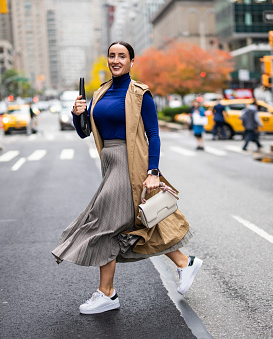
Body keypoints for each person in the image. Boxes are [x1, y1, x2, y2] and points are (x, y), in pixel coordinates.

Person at [51, 41, 202, 315]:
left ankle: (107, 293)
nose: (116, 60)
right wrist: (77, 116)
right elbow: (85, 133)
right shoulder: (100, 93)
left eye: (122, 56)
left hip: (131, 162)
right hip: (110, 163)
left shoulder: (140, 93)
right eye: (112, 55)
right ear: (107, 60)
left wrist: (153, 172)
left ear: (132, 61)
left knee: (104, 221)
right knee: (125, 223)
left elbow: (153, 134)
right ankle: (183, 262)